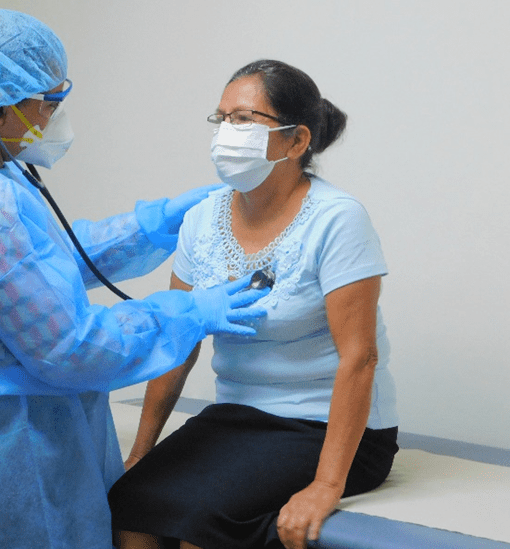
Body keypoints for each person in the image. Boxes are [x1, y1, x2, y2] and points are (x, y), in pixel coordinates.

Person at [0, 9, 271, 549]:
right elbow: (71, 347)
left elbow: (43, 259)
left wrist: (152, 225)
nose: (53, 115)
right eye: (47, 101)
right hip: (15, 453)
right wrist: (187, 313)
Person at [108, 59, 399, 549]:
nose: (226, 131)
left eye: (243, 119)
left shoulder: (337, 220)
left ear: (296, 141)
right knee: (128, 502)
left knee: (198, 521)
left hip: (325, 424)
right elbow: (179, 339)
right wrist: (141, 452)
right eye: (221, 118)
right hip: (238, 416)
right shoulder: (201, 221)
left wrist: (326, 486)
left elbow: (360, 357)